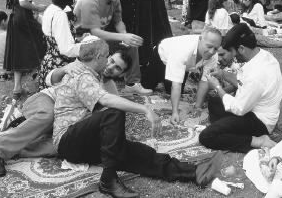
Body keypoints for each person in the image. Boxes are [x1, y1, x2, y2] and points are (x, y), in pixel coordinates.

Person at [52, 36, 222, 198]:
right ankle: (108, 179)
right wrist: (145, 109)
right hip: (68, 141)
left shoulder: (96, 77)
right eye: (107, 58)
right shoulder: (82, 74)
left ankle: (194, 172)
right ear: (98, 57)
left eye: (116, 65)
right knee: (114, 112)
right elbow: (106, 100)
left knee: (140, 152)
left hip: (85, 141)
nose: (107, 62)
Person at [0, 44, 134, 177]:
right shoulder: (86, 65)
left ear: (122, 74)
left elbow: (105, 116)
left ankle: (7, 145)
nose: (111, 67)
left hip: (66, 119)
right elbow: (50, 78)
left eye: (118, 68)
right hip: (46, 100)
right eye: (112, 60)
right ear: (106, 56)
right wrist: (65, 69)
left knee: (60, 146)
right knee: (48, 116)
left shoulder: (110, 89)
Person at [199, 23, 282, 152]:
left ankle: (257, 140)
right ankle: (231, 132)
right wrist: (222, 74)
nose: (233, 56)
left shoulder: (256, 74)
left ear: (241, 48)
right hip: (253, 109)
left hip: (260, 121)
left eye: (232, 52)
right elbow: (241, 82)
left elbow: (239, 109)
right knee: (215, 102)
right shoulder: (263, 56)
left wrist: (217, 86)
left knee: (207, 136)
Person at [74, 0, 152, 95]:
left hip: (98, 40)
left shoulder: (114, 0)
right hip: (80, 41)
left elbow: (118, 21)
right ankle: (98, 83)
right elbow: (96, 32)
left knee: (132, 44)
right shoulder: (90, 0)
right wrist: (122, 36)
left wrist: (125, 35)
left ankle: (132, 84)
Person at [141, 27, 222, 125]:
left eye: (216, 48)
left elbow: (205, 81)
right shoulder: (183, 49)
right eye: (209, 46)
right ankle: (149, 69)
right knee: (147, 86)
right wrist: (175, 112)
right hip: (162, 57)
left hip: (185, 65)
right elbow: (176, 85)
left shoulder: (214, 55)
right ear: (200, 39)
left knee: (169, 91)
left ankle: (167, 77)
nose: (211, 52)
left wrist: (198, 106)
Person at [4, 0, 47, 100]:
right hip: (24, 18)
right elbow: (24, 2)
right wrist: (39, 8)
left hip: (15, 17)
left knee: (19, 51)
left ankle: (17, 88)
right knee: (42, 43)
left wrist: (32, 5)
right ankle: (41, 79)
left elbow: (15, 1)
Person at [37, 0, 82, 90]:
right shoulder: (59, 15)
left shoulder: (50, 9)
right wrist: (88, 46)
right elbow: (66, 49)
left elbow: (56, 38)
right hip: (60, 67)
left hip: (48, 63)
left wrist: (78, 41)